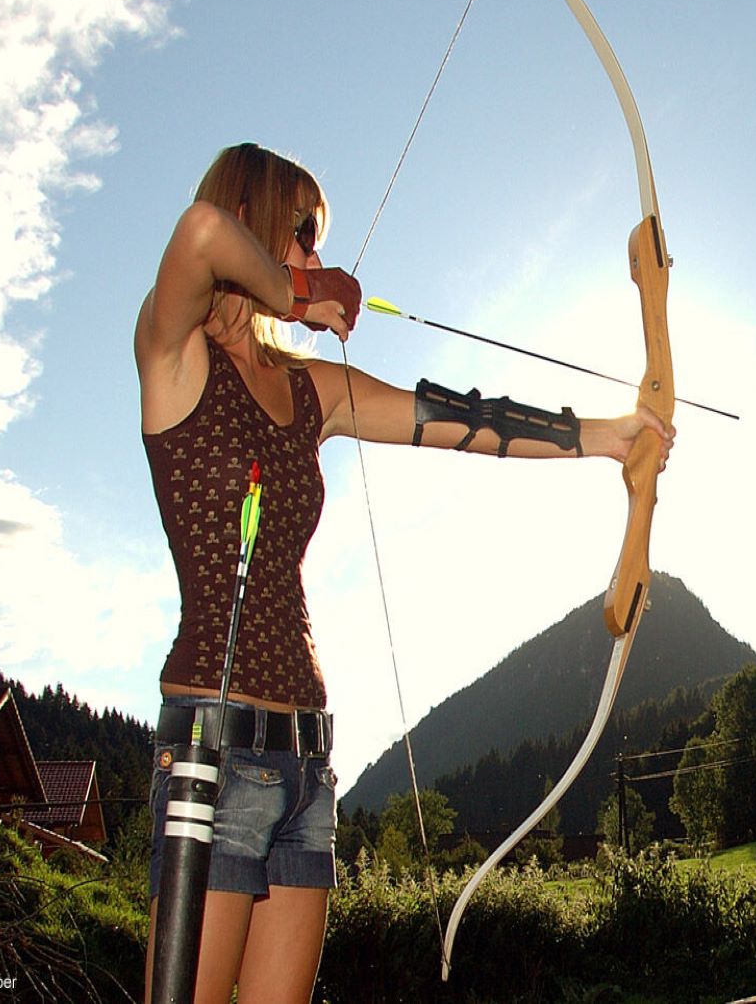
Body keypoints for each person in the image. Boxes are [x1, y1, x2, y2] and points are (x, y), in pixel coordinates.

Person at [134, 142, 672, 1003]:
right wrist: (303, 294)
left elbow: (456, 419)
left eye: (315, 240)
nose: (314, 252)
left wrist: (608, 435)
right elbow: (200, 234)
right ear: (260, 218)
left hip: (307, 761)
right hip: (214, 752)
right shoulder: (173, 357)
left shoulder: (312, 389)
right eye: (303, 231)